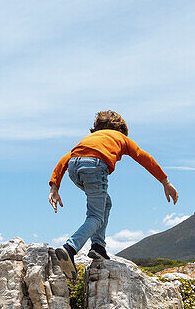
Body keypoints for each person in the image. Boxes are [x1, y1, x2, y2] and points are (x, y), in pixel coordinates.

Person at [49, 110, 178, 278]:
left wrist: (54, 186)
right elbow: (143, 156)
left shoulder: (90, 139)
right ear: (120, 129)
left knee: (105, 203)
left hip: (75, 168)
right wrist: (165, 181)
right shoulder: (121, 138)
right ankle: (70, 248)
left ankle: (98, 247)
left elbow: (66, 158)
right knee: (96, 216)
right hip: (95, 166)